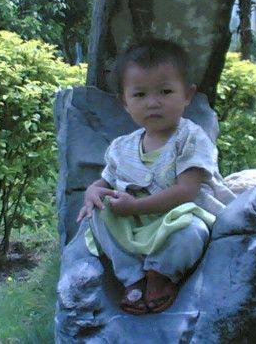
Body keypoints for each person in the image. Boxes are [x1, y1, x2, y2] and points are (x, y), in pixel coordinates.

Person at [76, 38, 235, 315]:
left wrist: (136, 206)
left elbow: (186, 190)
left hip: (177, 220)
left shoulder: (190, 138)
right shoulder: (121, 147)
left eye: (165, 92)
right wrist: (93, 190)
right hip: (137, 224)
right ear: (124, 101)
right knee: (97, 212)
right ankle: (132, 276)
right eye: (140, 95)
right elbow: (108, 181)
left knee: (192, 231)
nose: (153, 103)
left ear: (187, 94)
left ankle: (161, 275)